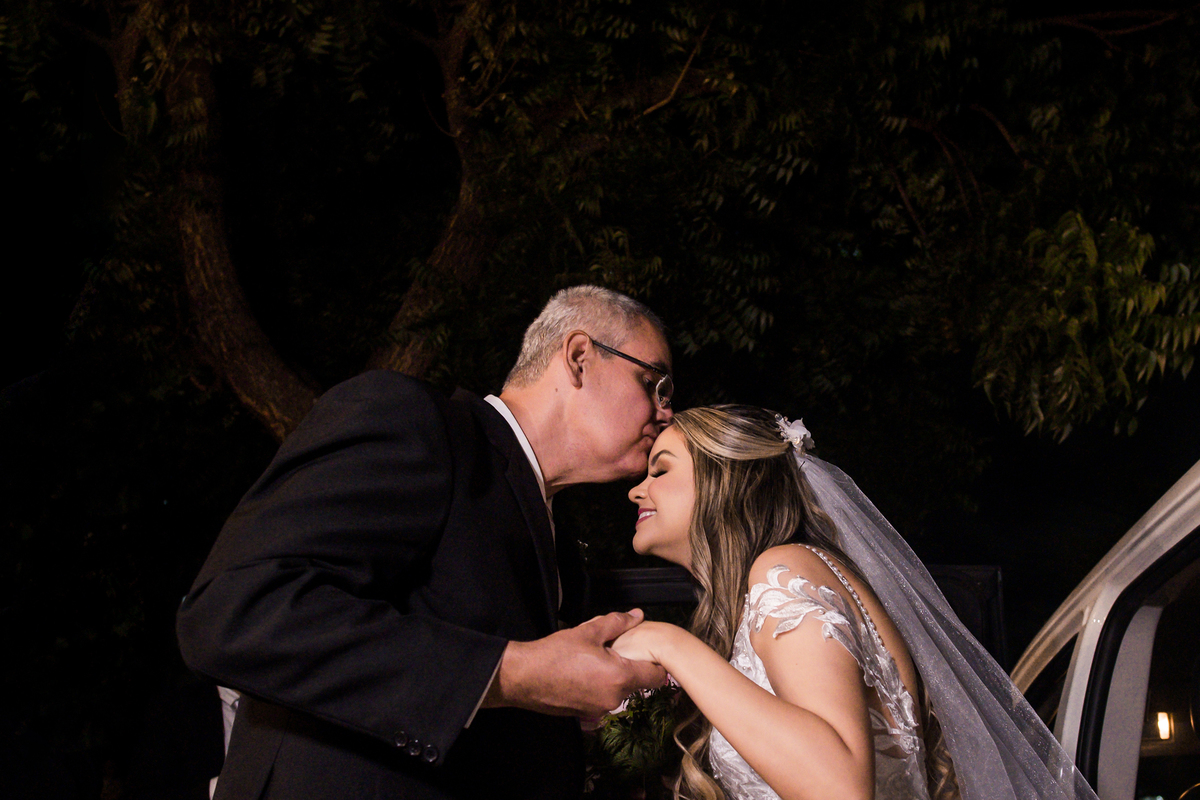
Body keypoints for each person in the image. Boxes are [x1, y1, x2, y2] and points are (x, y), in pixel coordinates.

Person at [177, 285, 672, 800]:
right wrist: (515, 673)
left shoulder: (560, 547)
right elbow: (234, 611)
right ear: (578, 358)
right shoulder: (415, 420)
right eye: (653, 383)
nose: (666, 413)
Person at [612, 405, 1100, 800]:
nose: (638, 489)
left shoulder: (784, 572)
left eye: (661, 469)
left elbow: (838, 788)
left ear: (725, 481)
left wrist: (666, 641)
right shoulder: (783, 584)